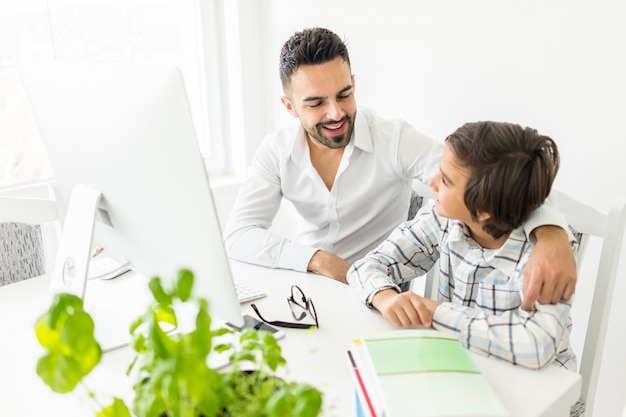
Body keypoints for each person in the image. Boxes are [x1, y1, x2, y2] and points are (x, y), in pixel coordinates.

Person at [223, 27, 575, 310]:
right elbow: (238, 234)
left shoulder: (393, 140)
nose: (335, 113)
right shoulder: (276, 152)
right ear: (289, 106)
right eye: (315, 103)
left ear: (354, 84)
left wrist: (552, 231)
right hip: (314, 293)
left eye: (344, 94)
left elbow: (494, 179)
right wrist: (317, 259)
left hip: (382, 297)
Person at [347, 121, 576, 370]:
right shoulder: (442, 221)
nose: (431, 182)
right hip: (459, 367)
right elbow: (366, 266)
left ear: (485, 209)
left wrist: (433, 311)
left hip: (537, 390)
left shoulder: (543, 259)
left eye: (445, 180)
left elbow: (535, 345)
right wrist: (384, 297)